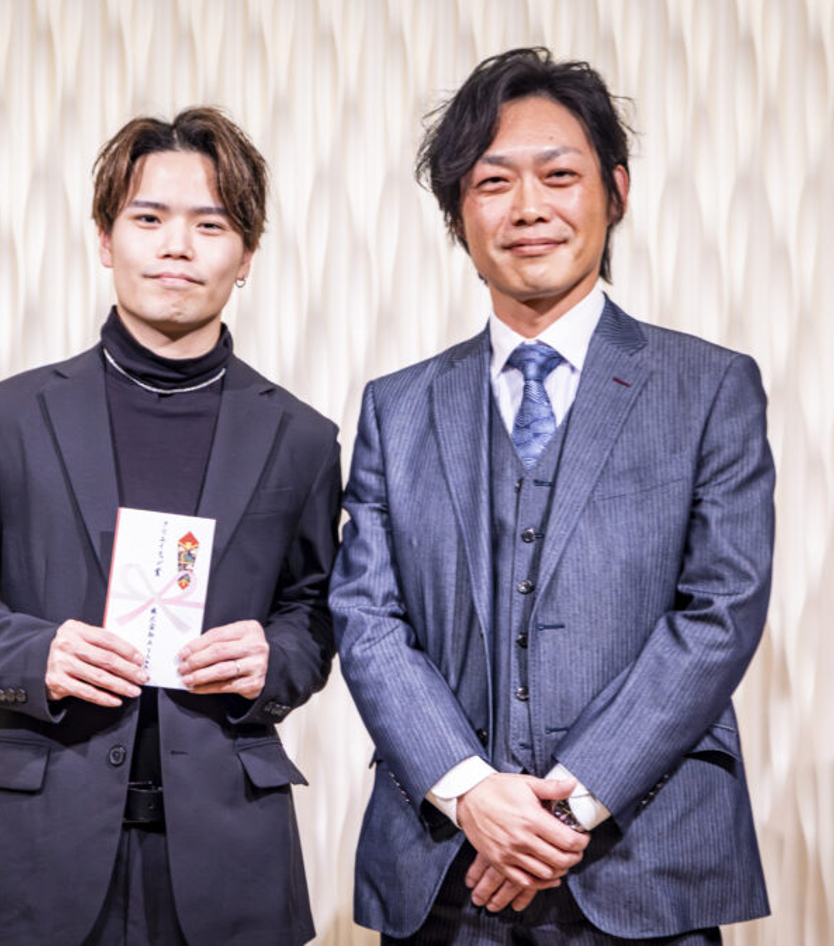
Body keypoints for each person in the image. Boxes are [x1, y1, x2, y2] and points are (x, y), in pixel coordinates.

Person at [331, 47, 774, 943]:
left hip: (644, 863)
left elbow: (721, 610)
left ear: (616, 191)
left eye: (559, 175)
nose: (528, 207)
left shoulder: (709, 387)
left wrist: (566, 810)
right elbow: (367, 619)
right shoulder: (396, 407)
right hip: (444, 867)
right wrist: (469, 791)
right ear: (459, 213)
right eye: (493, 182)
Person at [0, 107, 340, 946]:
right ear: (106, 239)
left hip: (231, 851)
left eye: (210, 225)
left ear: (247, 254)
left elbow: (317, 609)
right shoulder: (5, 418)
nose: (177, 247)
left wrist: (274, 657)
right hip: (37, 841)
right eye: (148, 219)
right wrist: (37, 653)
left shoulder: (303, 438)